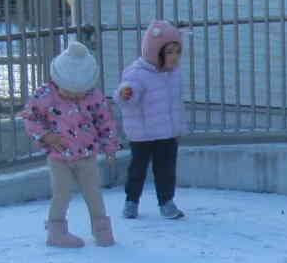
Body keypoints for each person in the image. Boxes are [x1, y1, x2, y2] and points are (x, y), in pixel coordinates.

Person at [21, 36, 121, 249]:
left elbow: (105, 122)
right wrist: (46, 136)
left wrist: (110, 146)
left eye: (80, 92)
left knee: (94, 193)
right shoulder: (45, 95)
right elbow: (30, 117)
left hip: (87, 157)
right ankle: (56, 232)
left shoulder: (94, 96)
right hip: (59, 158)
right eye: (69, 91)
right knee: (61, 194)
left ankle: (102, 230)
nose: (75, 96)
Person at [117, 19, 189, 220]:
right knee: (137, 169)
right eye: (169, 52)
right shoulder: (137, 72)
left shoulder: (173, 74)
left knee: (166, 168)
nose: (174, 57)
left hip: (166, 131)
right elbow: (127, 94)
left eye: (177, 52)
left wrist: (178, 127)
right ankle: (131, 201)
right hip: (143, 133)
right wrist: (126, 94)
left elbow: (175, 103)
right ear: (154, 52)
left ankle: (166, 201)